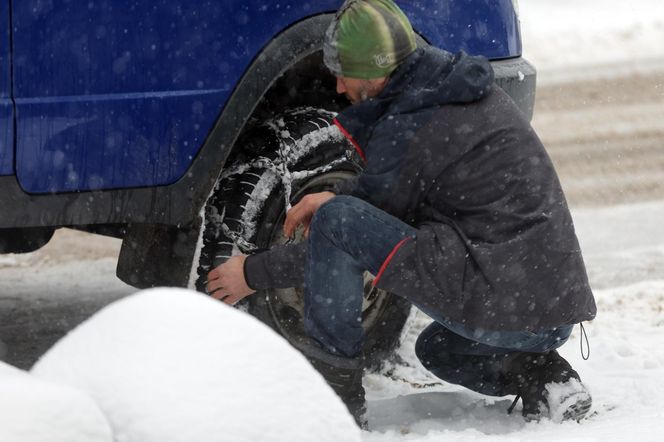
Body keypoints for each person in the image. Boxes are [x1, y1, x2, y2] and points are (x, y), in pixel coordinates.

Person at [206, 0, 597, 428]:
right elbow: (392, 191)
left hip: (505, 294)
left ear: (376, 70)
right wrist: (338, 192)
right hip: (552, 310)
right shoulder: (448, 89)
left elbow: (344, 241)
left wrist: (253, 273)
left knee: (336, 225)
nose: (337, 88)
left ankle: (335, 401)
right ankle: (547, 375)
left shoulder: (412, 125)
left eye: (343, 73)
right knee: (440, 352)